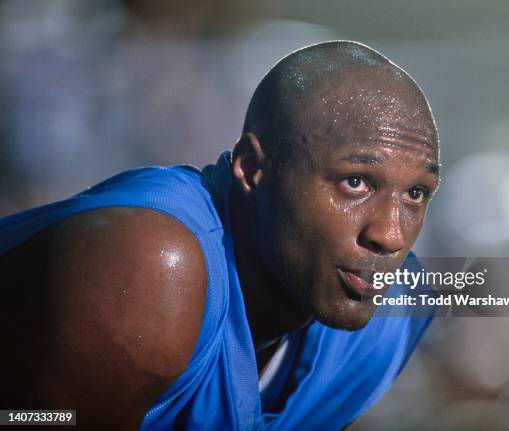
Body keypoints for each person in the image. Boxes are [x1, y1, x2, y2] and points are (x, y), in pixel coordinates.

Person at [0, 41, 440, 430]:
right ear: (252, 169)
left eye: (416, 193)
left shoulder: (393, 320)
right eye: (356, 182)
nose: (389, 234)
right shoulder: (150, 264)